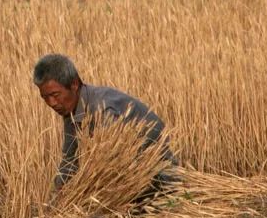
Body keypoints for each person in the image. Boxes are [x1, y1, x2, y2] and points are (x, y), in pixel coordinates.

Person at [32, 53, 179, 205]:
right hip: (132, 179)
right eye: (45, 97)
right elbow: (69, 159)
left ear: (74, 85)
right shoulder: (70, 110)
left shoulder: (102, 108)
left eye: (55, 95)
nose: (52, 103)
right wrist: (57, 197)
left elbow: (112, 163)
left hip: (158, 176)